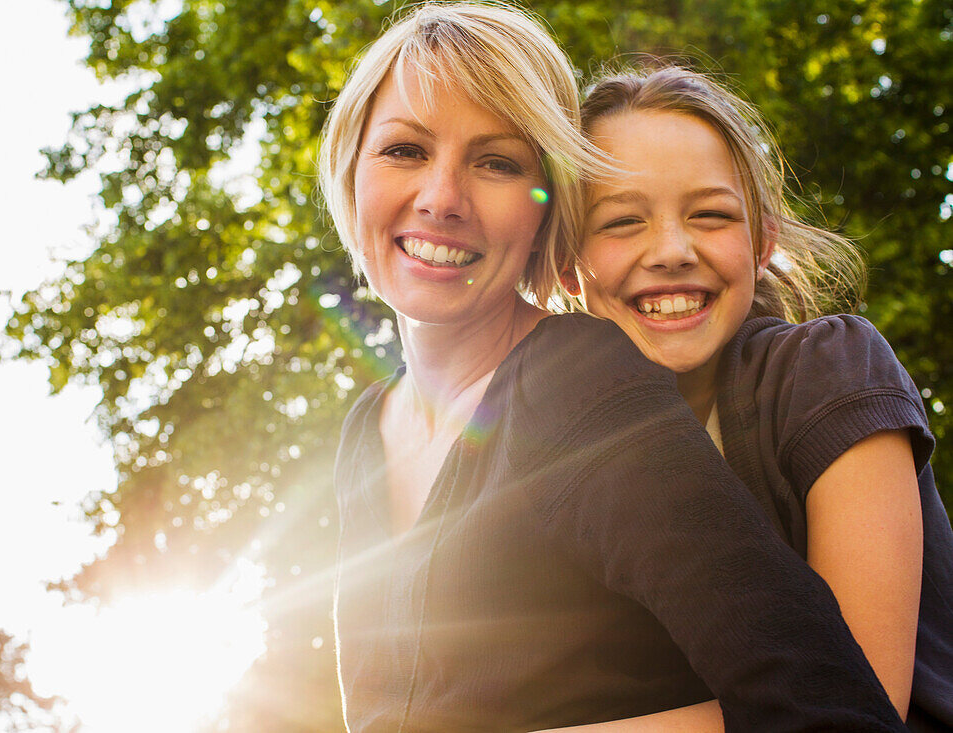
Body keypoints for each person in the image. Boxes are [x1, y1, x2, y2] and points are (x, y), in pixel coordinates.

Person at [322, 3, 908, 731]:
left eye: (498, 162)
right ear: (349, 170)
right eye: (404, 150)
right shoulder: (362, 435)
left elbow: (831, 698)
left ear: (544, 214)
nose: (442, 198)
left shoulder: (576, 377)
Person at [567, 64, 953, 732]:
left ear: (762, 240)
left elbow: (852, 702)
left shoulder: (831, 370)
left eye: (711, 215)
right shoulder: (571, 454)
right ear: (568, 264)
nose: (671, 250)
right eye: (623, 220)